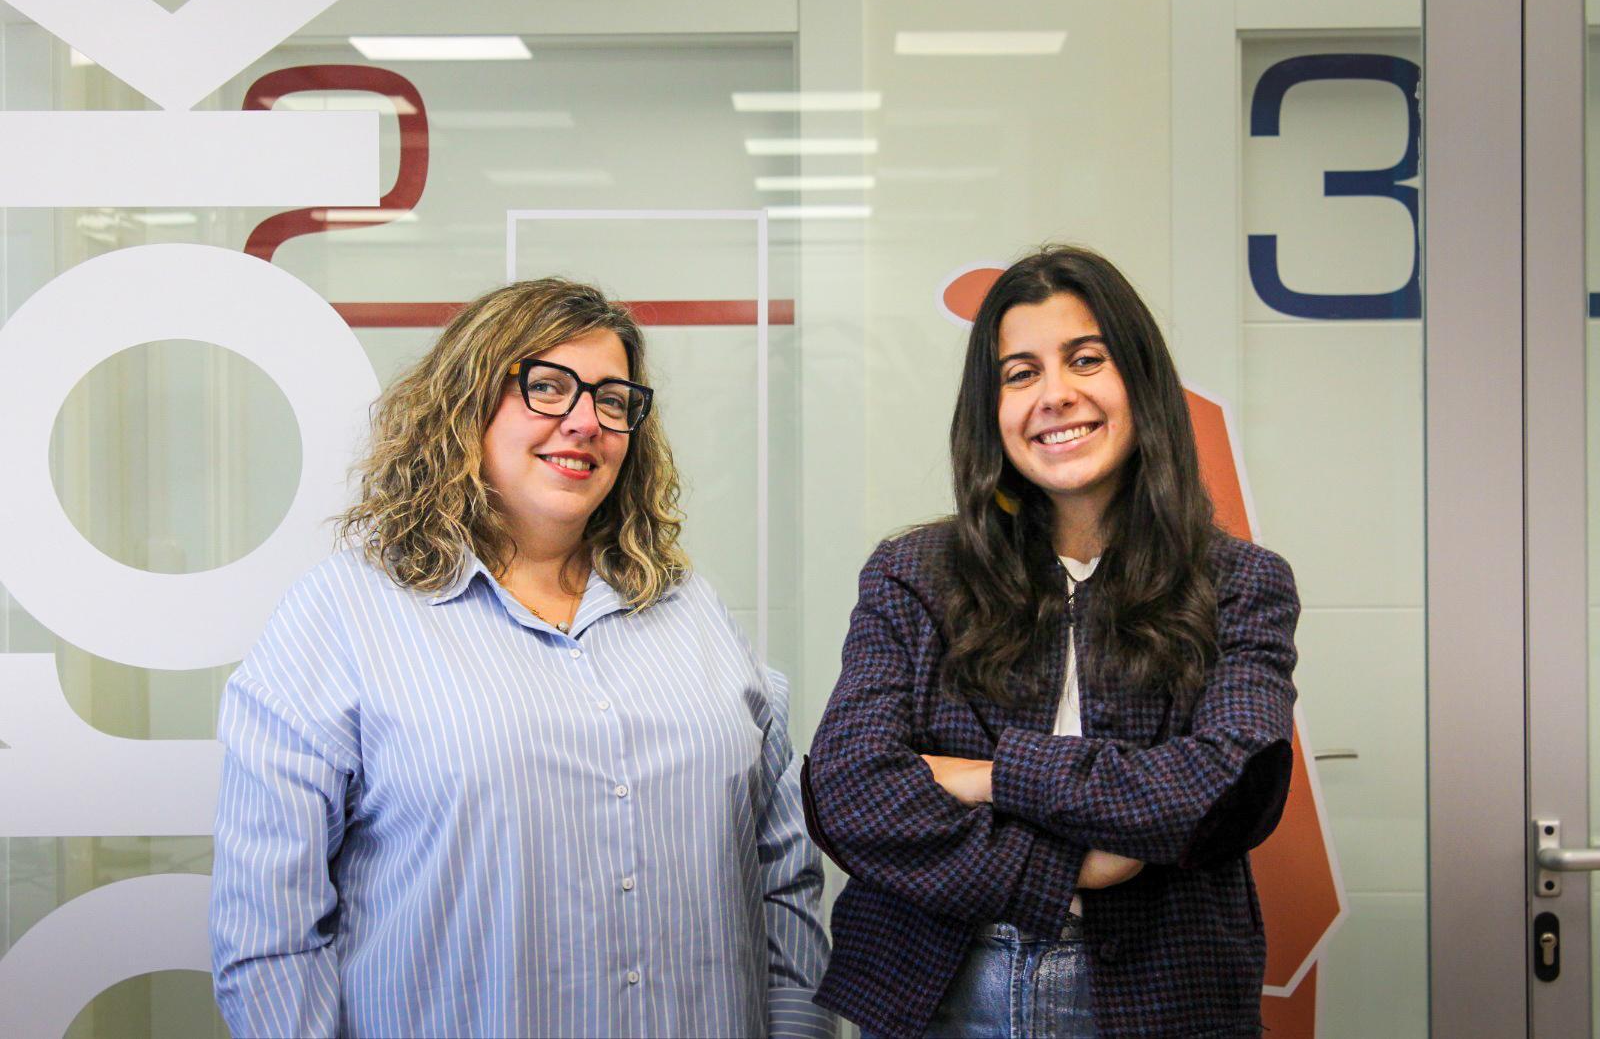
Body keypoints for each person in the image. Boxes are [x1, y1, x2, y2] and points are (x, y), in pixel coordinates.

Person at [210, 279, 831, 1038]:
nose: (585, 422)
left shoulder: (690, 609)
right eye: (547, 387)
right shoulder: (342, 616)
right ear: (466, 405)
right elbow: (270, 934)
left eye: (613, 400)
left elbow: (782, 872)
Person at [803, 245, 1300, 1038]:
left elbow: (1221, 790)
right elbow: (850, 789)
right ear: (991, 409)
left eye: (1087, 359)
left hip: (1159, 999)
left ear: (1141, 380)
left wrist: (994, 775)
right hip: (937, 994)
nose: (1055, 394)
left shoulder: (1240, 582)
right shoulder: (913, 573)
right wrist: (1071, 868)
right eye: (1020, 372)